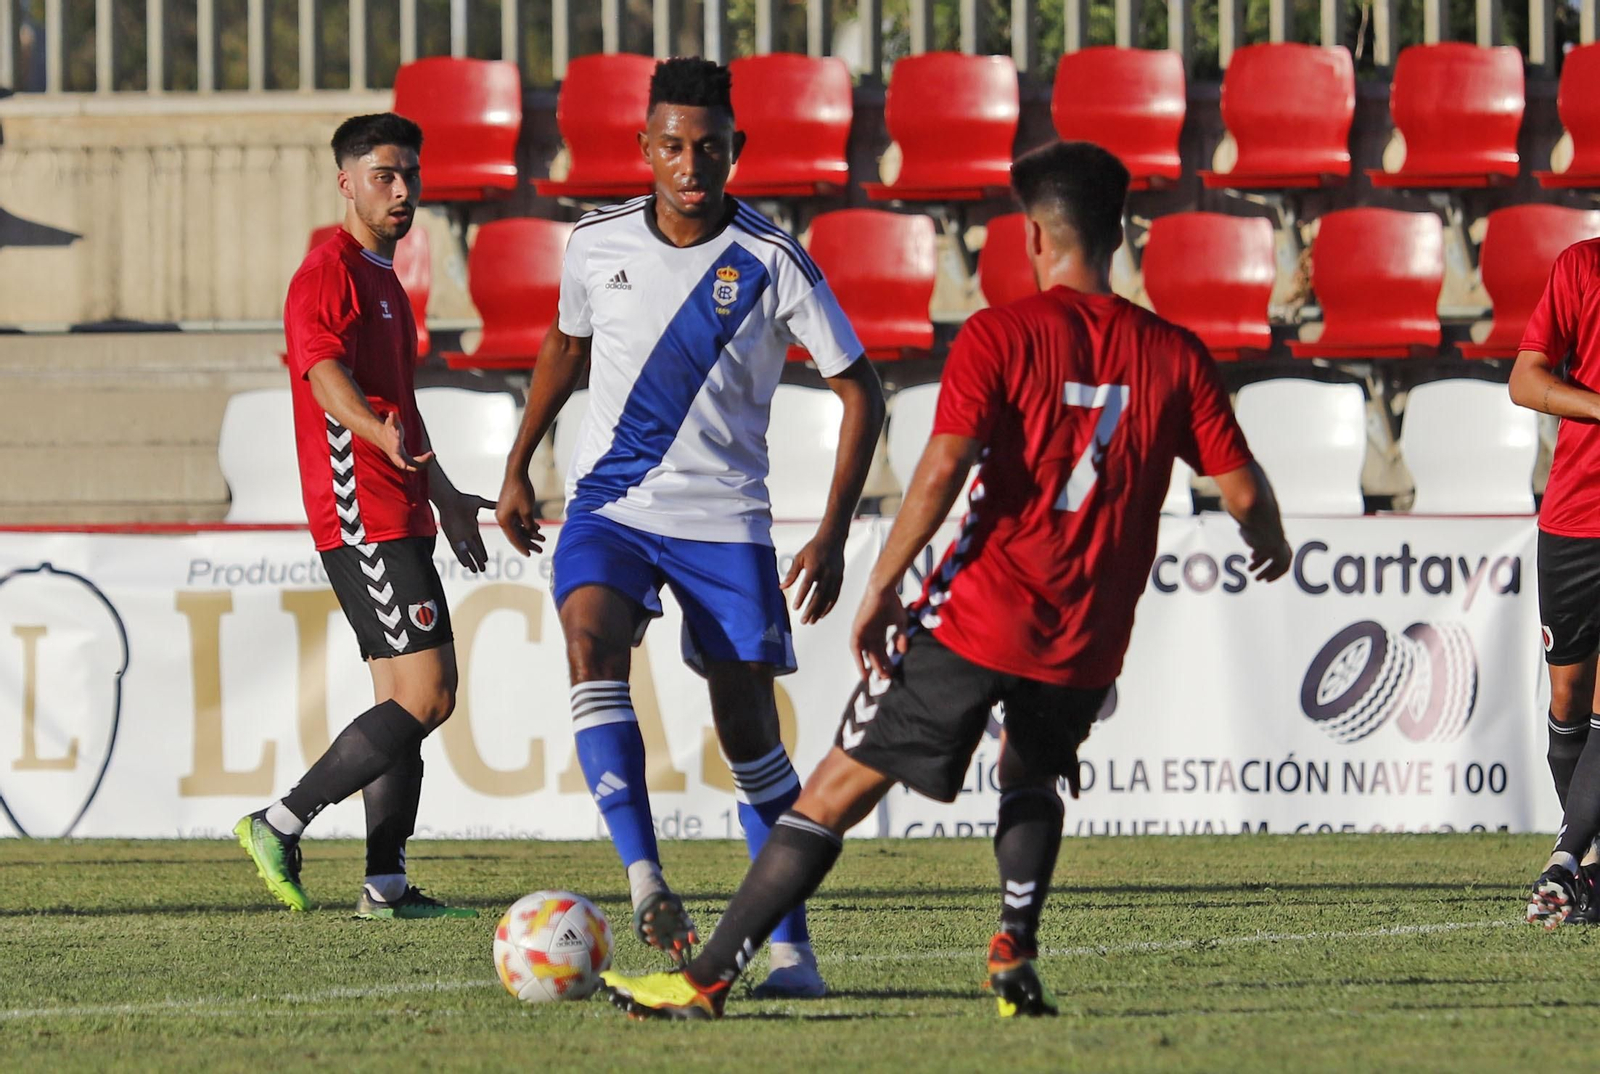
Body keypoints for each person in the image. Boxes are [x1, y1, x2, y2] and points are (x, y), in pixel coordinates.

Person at [597, 140, 1294, 1020]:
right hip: (1086, 635)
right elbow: (1240, 490)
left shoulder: (1003, 333)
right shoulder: (1174, 353)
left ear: (1037, 237)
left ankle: (705, 979)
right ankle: (1013, 944)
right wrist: (1268, 539)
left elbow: (942, 471)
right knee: (1032, 778)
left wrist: (883, 583)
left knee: (836, 790)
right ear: (1118, 236)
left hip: (981, 614)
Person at [495, 58, 885, 997]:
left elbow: (863, 392)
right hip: (611, 507)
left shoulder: (773, 259)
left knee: (750, 736)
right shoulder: (594, 243)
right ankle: (643, 876)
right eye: (671, 144)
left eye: (708, 146)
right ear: (644, 147)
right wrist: (517, 464)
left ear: (735, 150)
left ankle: (787, 947)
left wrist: (831, 533)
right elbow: (566, 345)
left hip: (724, 521)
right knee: (590, 642)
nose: (689, 163)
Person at [234, 113, 494, 920]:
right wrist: (372, 430)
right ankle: (278, 822)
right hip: (361, 511)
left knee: (402, 699)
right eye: (385, 175)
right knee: (429, 694)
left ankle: (384, 884)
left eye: (410, 175)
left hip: (402, 504)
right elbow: (322, 376)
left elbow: (399, 405)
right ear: (346, 181)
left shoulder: (385, 278)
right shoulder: (327, 272)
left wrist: (445, 495)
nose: (403, 191)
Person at [1512, 236, 1600, 927]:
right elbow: (1526, 380)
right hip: (1573, 516)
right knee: (1566, 698)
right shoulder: (1582, 266)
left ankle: (1567, 861)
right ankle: (1587, 873)